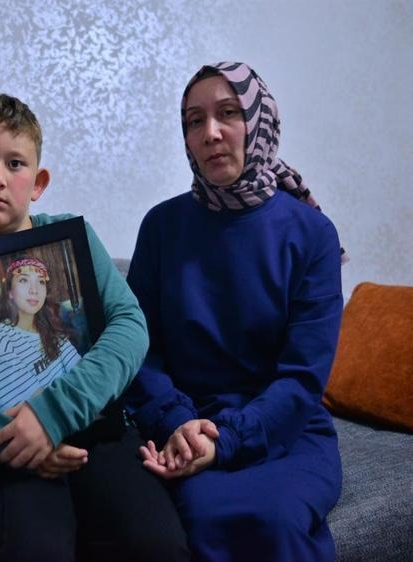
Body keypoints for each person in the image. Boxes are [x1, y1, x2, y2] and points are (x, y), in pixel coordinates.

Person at [0, 94, 189, 562]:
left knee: (156, 544)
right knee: (33, 549)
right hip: (12, 450)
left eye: (15, 163)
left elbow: (130, 327)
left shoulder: (72, 236)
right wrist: (17, 436)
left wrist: (51, 416)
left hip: (101, 434)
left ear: (39, 182)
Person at [124, 61, 344, 561]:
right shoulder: (161, 227)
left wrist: (225, 441)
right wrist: (179, 424)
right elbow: (139, 351)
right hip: (187, 426)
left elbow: (303, 377)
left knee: (276, 519)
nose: (211, 133)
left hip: (286, 430)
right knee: (200, 518)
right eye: (194, 120)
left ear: (258, 121)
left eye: (228, 113)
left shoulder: (312, 234)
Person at [0, 255, 81, 411]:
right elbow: (38, 408)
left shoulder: (51, 326)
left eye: (41, 282)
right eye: (23, 280)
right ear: (10, 292)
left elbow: (79, 373)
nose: (34, 290)